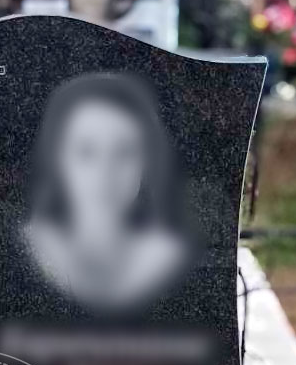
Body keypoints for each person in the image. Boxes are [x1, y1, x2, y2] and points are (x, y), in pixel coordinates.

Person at [24, 72, 187, 309]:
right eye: (86, 151)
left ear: (146, 161)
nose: (105, 172)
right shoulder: (31, 248)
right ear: (58, 159)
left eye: (125, 151)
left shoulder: (166, 257)